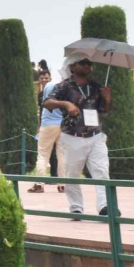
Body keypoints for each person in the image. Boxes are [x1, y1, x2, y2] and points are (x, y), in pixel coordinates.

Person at [41, 57, 112, 219]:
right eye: (83, 63)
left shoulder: (95, 87)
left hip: (96, 135)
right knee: (72, 174)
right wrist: (66, 104)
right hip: (72, 136)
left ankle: (105, 206)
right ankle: (76, 208)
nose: (87, 66)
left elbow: (105, 111)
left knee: (101, 171)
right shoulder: (63, 86)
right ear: (72, 66)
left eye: (89, 64)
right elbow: (46, 102)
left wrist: (107, 99)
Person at [28, 67, 63, 194]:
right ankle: (62, 184)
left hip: (48, 124)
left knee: (42, 155)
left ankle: (39, 184)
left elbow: (44, 108)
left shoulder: (47, 88)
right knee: (62, 156)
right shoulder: (64, 87)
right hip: (62, 125)